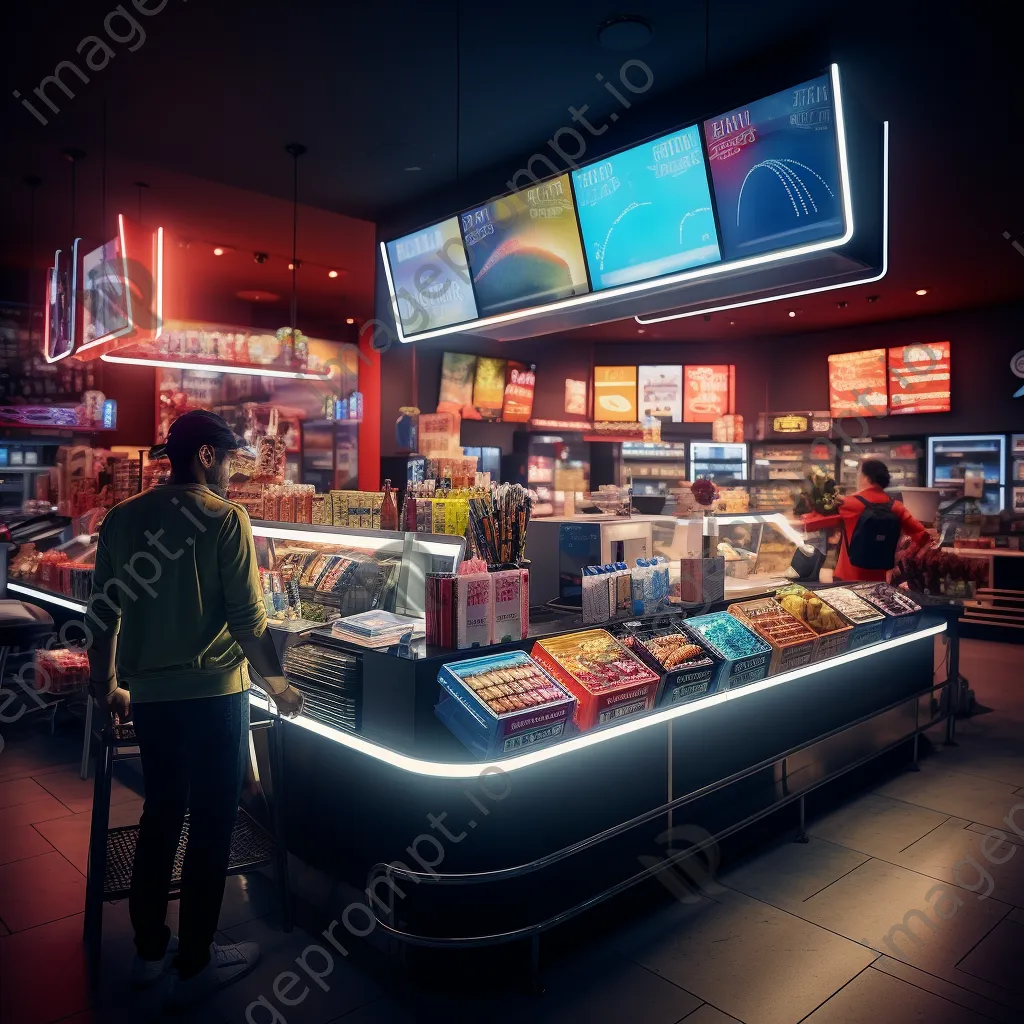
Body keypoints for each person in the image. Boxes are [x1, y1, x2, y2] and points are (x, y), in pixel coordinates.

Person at [87, 410, 303, 1006]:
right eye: (230, 460)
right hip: (214, 697)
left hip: (150, 697)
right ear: (207, 456)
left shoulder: (122, 519)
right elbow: (248, 621)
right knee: (211, 825)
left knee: (160, 817)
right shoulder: (225, 519)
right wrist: (280, 686)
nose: (232, 475)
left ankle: (149, 952)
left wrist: (106, 684)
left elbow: (103, 613)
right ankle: (198, 959)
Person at [801, 458, 932, 583]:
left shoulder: (847, 503)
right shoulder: (896, 507)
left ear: (866, 478)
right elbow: (923, 536)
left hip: (848, 576)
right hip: (880, 579)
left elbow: (813, 523)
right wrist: (901, 561)